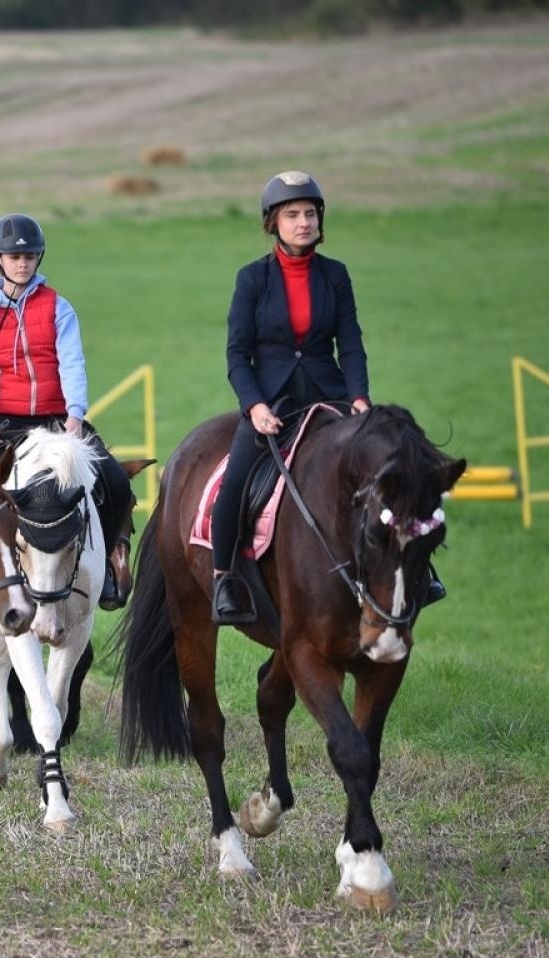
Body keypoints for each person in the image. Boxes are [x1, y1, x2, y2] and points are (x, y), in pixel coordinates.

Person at [210, 170, 444, 624]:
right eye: (293, 214)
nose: (303, 222)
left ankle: (421, 572)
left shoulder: (335, 276)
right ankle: (225, 579)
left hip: (331, 400)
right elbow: (237, 354)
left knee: (388, 468)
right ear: (272, 223)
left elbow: (350, 343)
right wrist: (254, 408)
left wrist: (359, 397)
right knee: (235, 481)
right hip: (272, 406)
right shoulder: (252, 279)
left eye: (310, 214)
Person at [0, 213, 134, 611]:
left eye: (30, 256)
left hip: (55, 418)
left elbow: (72, 364)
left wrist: (75, 415)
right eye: (13, 257)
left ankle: (103, 571)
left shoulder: (58, 308)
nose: (23, 263)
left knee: (116, 482)